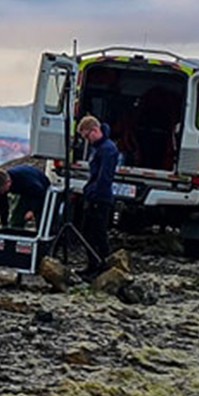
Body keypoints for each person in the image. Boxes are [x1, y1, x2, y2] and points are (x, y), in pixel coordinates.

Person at [77, 115, 120, 279]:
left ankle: (101, 266)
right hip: (94, 195)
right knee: (88, 232)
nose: (87, 140)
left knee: (98, 233)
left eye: (87, 136)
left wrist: (93, 194)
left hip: (100, 199)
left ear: (95, 130)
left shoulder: (108, 150)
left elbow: (104, 178)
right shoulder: (99, 148)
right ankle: (92, 265)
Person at [0, 164, 49, 230]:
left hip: (41, 191)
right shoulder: (1, 186)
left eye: (3, 190)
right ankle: (15, 234)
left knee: (41, 220)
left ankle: (41, 234)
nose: (2, 193)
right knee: (16, 219)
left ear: (8, 182)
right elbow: (3, 206)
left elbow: (41, 194)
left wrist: (32, 210)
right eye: (0, 191)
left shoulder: (25, 180)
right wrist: (4, 225)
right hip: (25, 192)